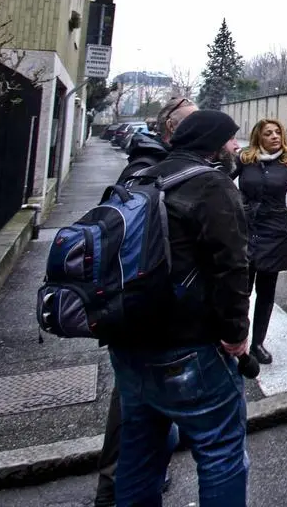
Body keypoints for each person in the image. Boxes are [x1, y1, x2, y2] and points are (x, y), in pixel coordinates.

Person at [107, 109, 252, 506]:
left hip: (129, 338)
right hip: (189, 343)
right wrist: (236, 333)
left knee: (139, 449)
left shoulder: (141, 177)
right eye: (231, 140)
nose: (236, 147)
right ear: (213, 145)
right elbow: (233, 267)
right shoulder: (211, 184)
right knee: (220, 449)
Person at [95, 96, 195, 505]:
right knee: (135, 403)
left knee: (145, 399)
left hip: (157, 309)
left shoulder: (158, 165)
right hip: (145, 310)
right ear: (171, 128)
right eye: (192, 122)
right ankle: (116, 485)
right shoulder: (149, 172)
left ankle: (137, 474)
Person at [236, 119, 287, 366]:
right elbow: (219, 179)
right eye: (268, 133)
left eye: (277, 132)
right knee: (241, 290)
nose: (274, 136)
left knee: (266, 291)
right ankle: (238, 341)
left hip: (275, 230)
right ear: (258, 137)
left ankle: (258, 343)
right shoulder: (245, 158)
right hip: (246, 229)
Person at [121, 96, 197, 179]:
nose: (201, 128)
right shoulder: (144, 168)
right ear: (171, 126)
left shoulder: (185, 158)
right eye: (193, 123)